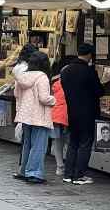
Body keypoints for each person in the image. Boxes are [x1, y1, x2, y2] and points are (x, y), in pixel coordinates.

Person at [61, 43, 104, 185]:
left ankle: (68, 174)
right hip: (87, 113)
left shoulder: (66, 71)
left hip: (71, 111)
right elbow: (99, 91)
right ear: (90, 55)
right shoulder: (89, 72)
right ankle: (79, 175)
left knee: (73, 142)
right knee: (85, 143)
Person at [13, 51, 56, 184]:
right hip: (39, 116)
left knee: (27, 144)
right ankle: (34, 173)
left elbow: (16, 94)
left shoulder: (22, 77)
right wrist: (53, 99)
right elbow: (43, 98)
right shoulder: (42, 77)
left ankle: (23, 170)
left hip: (25, 115)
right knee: (38, 145)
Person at [50, 73, 68, 176]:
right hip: (65, 116)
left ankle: (59, 166)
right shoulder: (70, 85)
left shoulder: (56, 85)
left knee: (57, 141)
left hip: (55, 116)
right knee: (69, 141)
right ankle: (68, 165)